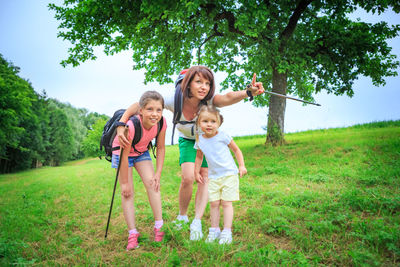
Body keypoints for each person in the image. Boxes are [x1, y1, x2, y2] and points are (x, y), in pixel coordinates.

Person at [117, 66, 264, 240]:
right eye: (199, 82)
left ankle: (197, 220)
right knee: (188, 177)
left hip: (206, 140)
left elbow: (228, 97)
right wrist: (121, 123)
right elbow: (139, 105)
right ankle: (183, 215)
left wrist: (248, 92)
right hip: (187, 140)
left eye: (207, 83)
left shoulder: (209, 100)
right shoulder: (173, 99)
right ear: (187, 84)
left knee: (204, 176)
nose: (204, 87)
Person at [112, 91, 167, 250]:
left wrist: (158, 173)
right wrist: (124, 183)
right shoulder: (131, 126)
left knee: (153, 184)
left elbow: (161, 148)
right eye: (150, 109)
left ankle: (159, 227)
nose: (154, 114)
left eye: (158, 110)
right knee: (127, 193)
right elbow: (124, 156)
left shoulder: (162, 123)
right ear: (140, 110)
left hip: (141, 151)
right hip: (122, 153)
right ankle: (132, 233)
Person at [194, 105, 246, 244]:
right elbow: (199, 157)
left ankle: (227, 232)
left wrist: (241, 165)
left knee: (226, 203)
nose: (209, 124)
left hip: (229, 174)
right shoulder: (200, 139)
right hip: (213, 176)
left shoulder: (223, 136)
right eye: (205, 121)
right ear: (199, 122)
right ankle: (214, 230)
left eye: (213, 121)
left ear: (218, 123)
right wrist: (196, 171)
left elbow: (237, 150)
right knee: (214, 203)